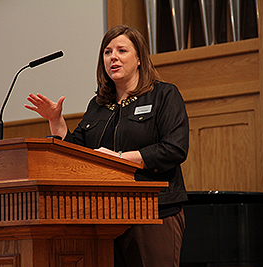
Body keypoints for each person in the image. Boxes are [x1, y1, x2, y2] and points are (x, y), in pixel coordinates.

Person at [25, 25, 189, 267]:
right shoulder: (98, 105)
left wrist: (119, 158)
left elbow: (174, 148)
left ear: (140, 58)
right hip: (105, 215)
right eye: (107, 52)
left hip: (155, 211)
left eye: (122, 50)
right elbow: (75, 154)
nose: (113, 57)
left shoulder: (163, 95)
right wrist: (55, 120)